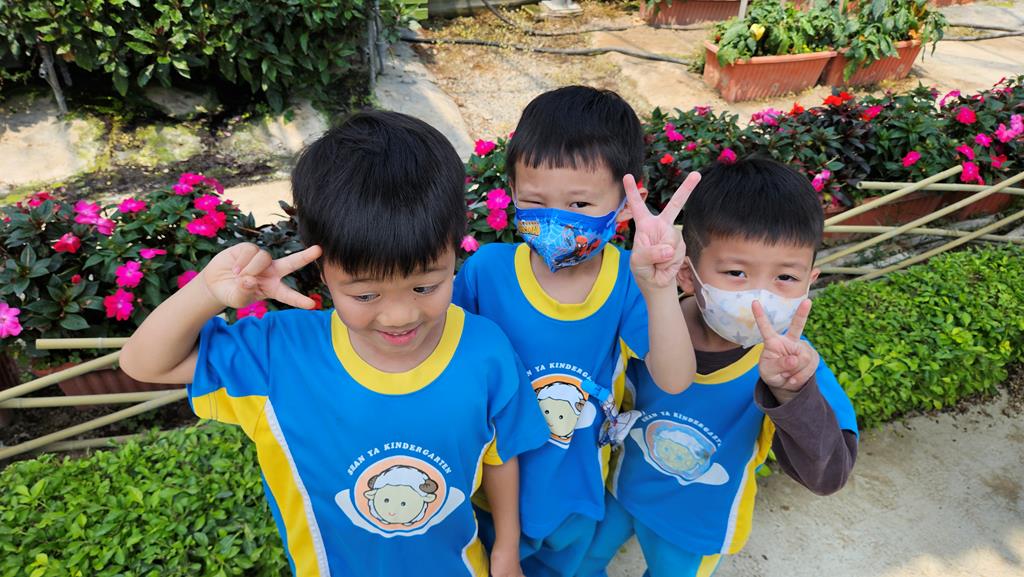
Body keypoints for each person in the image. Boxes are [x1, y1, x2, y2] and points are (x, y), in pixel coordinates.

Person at [120, 110, 549, 577]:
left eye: (425, 286)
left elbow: (501, 456)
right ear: (323, 271)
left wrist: (505, 550)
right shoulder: (277, 357)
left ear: (454, 250)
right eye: (365, 295)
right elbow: (146, 364)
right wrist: (208, 290)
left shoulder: (485, 351)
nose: (400, 315)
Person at [453, 86, 698, 577]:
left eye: (581, 203)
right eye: (535, 200)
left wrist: (659, 289)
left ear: (626, 203)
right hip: (486, 492)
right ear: (512, 191)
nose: (557, 220)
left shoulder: (628, 280)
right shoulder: (485, 272)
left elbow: (674, 379)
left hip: (574, 495)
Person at [579, 156, 859, 577]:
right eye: (736, 272)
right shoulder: (645, 324)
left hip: (698, 528)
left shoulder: (794, 369)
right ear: (687, 273)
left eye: (785, 278)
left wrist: (791, 395)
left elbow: (829, 474)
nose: (758, 299)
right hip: (620, 492)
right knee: (580, 564)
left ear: (810, 280)